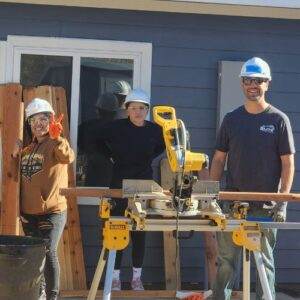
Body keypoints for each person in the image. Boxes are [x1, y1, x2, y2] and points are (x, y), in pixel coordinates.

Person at [210, 57, 295, 300]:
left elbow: (288, 163)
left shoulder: (278, 120)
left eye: (258, 80)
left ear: (267, 83)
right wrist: (212, 197)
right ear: (242, 84)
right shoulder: (232, 119)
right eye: (248, 80)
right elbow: (218, 160)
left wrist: (283, 202)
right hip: (232, 205)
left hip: (266, 208)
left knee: (263, 263)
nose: (253, 85)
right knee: (226, 262)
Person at [96, 88, 165, 291]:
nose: (137, 112)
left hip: (143, 183)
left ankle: (136, 278)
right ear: (127, 110)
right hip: (119, 183)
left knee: (139, 230)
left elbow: (162, 146)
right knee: (117, 227)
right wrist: (110, 155)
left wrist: (148, 158)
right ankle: (115, 277)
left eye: (142, 108)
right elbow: (96, 141)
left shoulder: (154, 130)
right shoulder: (116, 128)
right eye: (133, 108)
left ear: (147, 110)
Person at [12, 98, 75, 300]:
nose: (38, 124)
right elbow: (15, 179)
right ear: (29, 124)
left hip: (52, 212)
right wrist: (15, 155)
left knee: (48, 252)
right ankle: (39, 292)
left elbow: (68, 157)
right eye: (33, 120)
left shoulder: (56, 144)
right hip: (28, 213)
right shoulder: (28, 150)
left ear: (51, 121)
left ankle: (52, 296)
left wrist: (57, 139)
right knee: (34, 255)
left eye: (43, 119)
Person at [77, 92, 119, 186]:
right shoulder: (119, 129)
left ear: (97, 110)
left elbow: (79, 149)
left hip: (90, 172)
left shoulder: (85, 127)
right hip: (112, 176)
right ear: (115, 113)